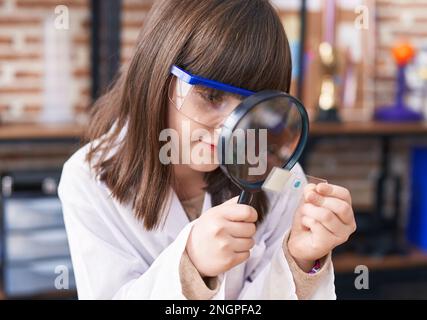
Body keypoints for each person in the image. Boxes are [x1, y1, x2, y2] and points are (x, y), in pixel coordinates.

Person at [58, 0, 356, 299]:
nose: (232, 128)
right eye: (211, 97)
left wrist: (299, 259)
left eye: (253, 108)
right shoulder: (87, 180)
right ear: (157, 75)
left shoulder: (276, 174)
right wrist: (191, 266)